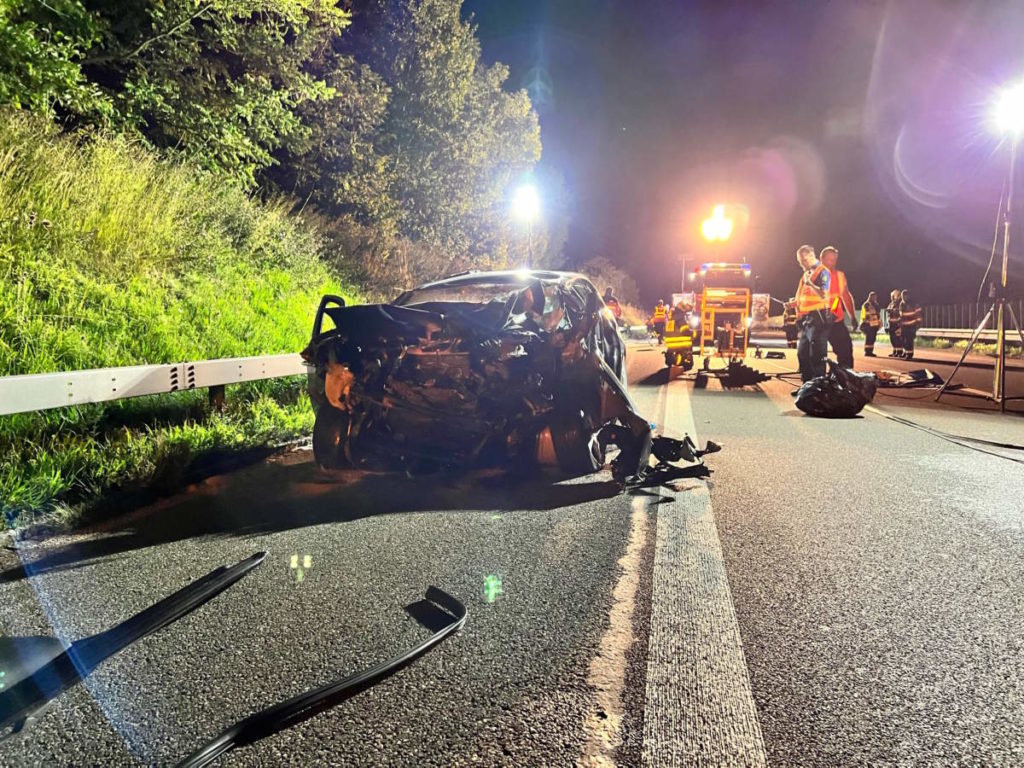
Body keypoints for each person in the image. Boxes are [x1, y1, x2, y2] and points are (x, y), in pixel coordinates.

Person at [792, 244, 833, 392]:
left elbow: (823, 294)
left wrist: (811, 284)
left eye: (803, 260)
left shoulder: (823, 272)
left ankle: (818, 388)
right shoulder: (806, 274)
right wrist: (793, 304)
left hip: (819, 319)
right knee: (802, 353)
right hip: (807, 320)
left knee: (817, 356)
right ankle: (806, 387)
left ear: (810, 256)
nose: (801, 263)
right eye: (799, 261)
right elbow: (805, 297)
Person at [819, 246, 856, 368]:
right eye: (828, 259)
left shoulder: (839, 276)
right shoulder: (813, 276)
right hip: (817, 322)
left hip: (835, 320)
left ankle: (845, 376)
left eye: (833, 260)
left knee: (845, 349)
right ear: (821, 259)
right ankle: (814, 380)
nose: (831, 263)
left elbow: (844, 296)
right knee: (817, 355)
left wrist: (852, 317)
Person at [898, 289, 922, 359]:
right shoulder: (902, 304)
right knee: (903, 340)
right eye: (902, 296)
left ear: (908, 296)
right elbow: (901, 314)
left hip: (911, 325)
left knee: (909, 340)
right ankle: (905, 352)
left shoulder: (913, 304)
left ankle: (909, 354)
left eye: (905, 296)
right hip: (904, 325)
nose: (903, 297)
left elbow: (918, 314)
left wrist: (917, 323)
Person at [859, 291, 881, 357]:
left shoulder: (876, 304)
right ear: (870, 297)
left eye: (875, 297)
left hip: (874, 324)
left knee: (873, 338)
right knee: (869, 338)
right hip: (868, 324)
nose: (875, 298)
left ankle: (870, 351)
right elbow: (865, 314)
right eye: (873, 297)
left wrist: (879, 323)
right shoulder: (866, 304)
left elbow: (878, 314)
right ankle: (867, 352)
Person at [885, 289, 903, 357]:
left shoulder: (901, 303)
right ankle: (895, 351)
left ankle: (899, 351)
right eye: (893, 295)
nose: (894, 297)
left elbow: (900, 313)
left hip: (897, 324)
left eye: (897, 295)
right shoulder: (891, 303)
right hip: (891, 324)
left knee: (898, 338)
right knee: (892, 338)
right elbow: (888, 310)